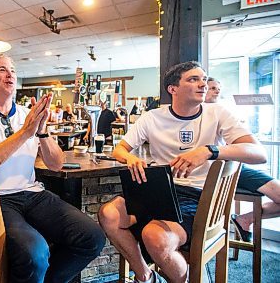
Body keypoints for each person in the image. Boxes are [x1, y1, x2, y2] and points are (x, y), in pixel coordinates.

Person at [98, 61, 267, 283]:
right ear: (173, 89)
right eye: (193, 79)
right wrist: (130, 157)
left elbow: (258, 153)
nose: (203, 84)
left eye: (204, 79)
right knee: (108, 214)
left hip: (200, 196)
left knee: (154, 236)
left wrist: (209, 151)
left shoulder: (217, 113)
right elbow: (120, 149)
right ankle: (145, 276)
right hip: (160, 191)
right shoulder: (152, 117)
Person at [0, 54, 105, 283]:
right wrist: (25, 132)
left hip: (32, 194)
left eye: (12, 70)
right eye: (2, 70)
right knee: (35, 253)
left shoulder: (28, 116)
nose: (10, 74)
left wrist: (41, 131)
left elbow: (56, 164)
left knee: (92, 237)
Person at [205, 77, 280, 242]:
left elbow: (249, 149)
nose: (217, 91)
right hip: (214, 173)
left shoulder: (224, 114)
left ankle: (246, 218)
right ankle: (244, 220)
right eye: (212, 88)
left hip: (233, 168)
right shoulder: (198, 116)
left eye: (218, 88)